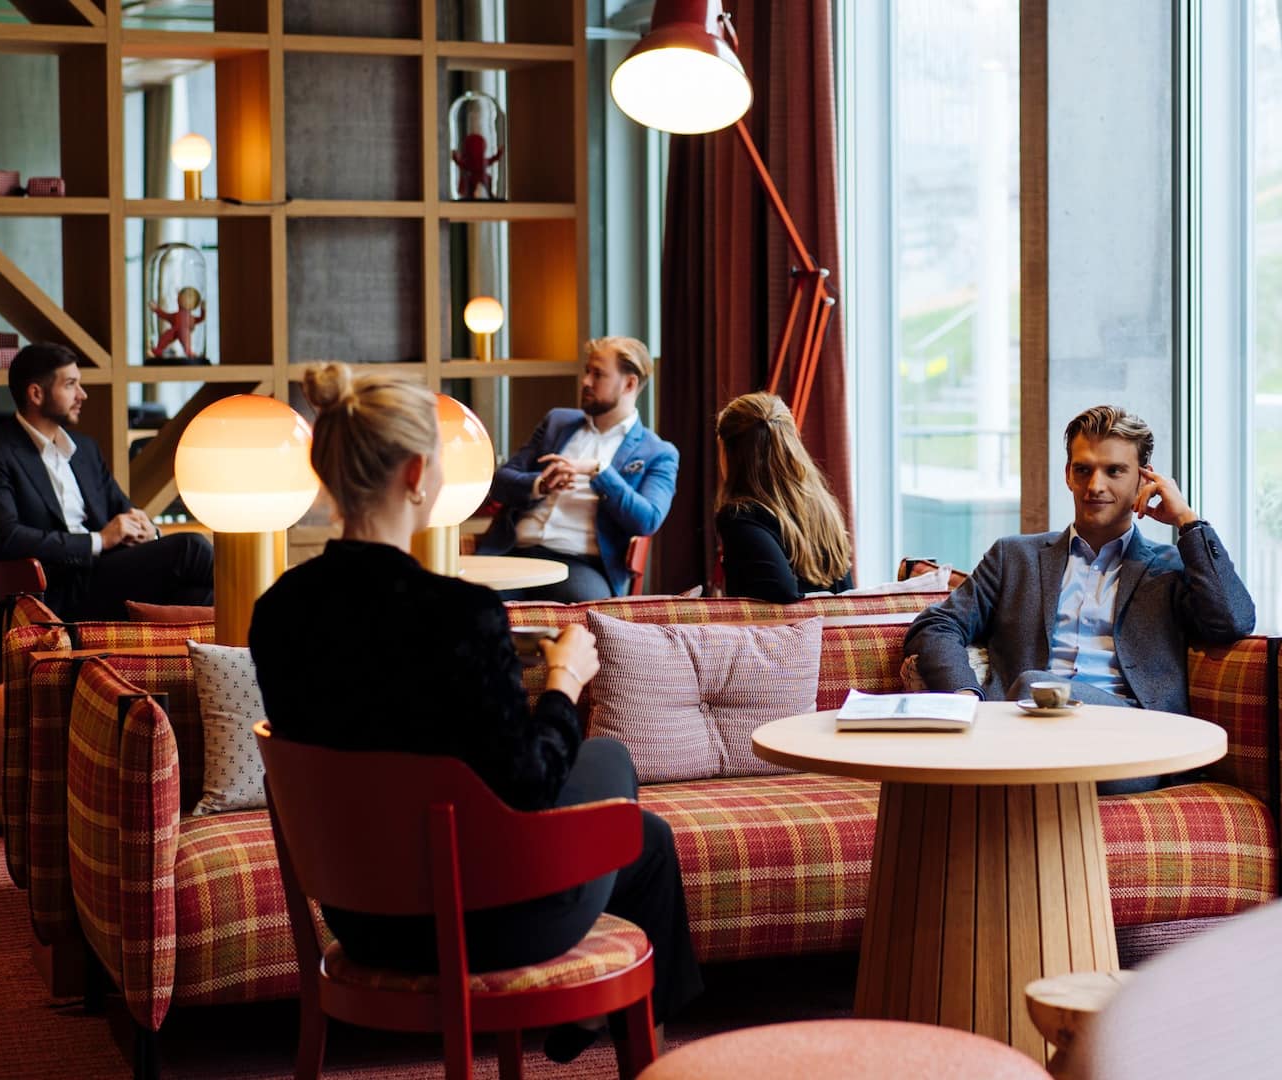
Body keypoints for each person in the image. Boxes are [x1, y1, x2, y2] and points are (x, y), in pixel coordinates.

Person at [249, 363, 703, 1060]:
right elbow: (528, 784)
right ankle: (645, 1048)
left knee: (640, 835)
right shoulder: (459, 616)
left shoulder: (277, 614)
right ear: (417, 473)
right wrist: (563, 681)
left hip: (358, 917)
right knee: (613, 771)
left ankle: (615, 1031)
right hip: (480, 922)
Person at [904, 405, 1255, 793]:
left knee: (1036, 686)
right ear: (1068, 475)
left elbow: (1233, 621)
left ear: (1144, 479)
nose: (1095, 486)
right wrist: (965, 696)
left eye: (1114, 471)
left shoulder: (1170, 568)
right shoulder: (1014, 557)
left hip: (1128, 745)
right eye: (1083, 469)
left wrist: (1188, 521)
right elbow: (937, 624)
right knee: (1031, 698)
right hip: (1025, 736)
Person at [0, 342, 214, 621]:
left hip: (107, 579)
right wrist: (99, 540)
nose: (82, 395)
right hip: (56, 592)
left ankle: (260, 649)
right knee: (191, 547)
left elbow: (124, 511)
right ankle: (269, 610)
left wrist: (147, 532)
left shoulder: (84, 450)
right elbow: (5, 538)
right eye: (70, 385)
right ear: (36, 393)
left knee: (204, 600)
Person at [478, 336, 678, 602]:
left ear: (629, 384)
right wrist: (541, 484)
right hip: (515, 552)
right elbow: (501, 481)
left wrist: (599, 471)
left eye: (598, 375)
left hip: (580, 565)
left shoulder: (658, 452)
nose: (585, 382)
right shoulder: (557, 422)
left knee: (588, 609)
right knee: (468, 602)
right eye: (587, 371)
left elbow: (647, 519)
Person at [714, 392, 855, 602]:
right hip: (834, 629)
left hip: (786, 633)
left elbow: (780, 593)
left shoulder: (740, 517)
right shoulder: (822, 508)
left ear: (730, 454)